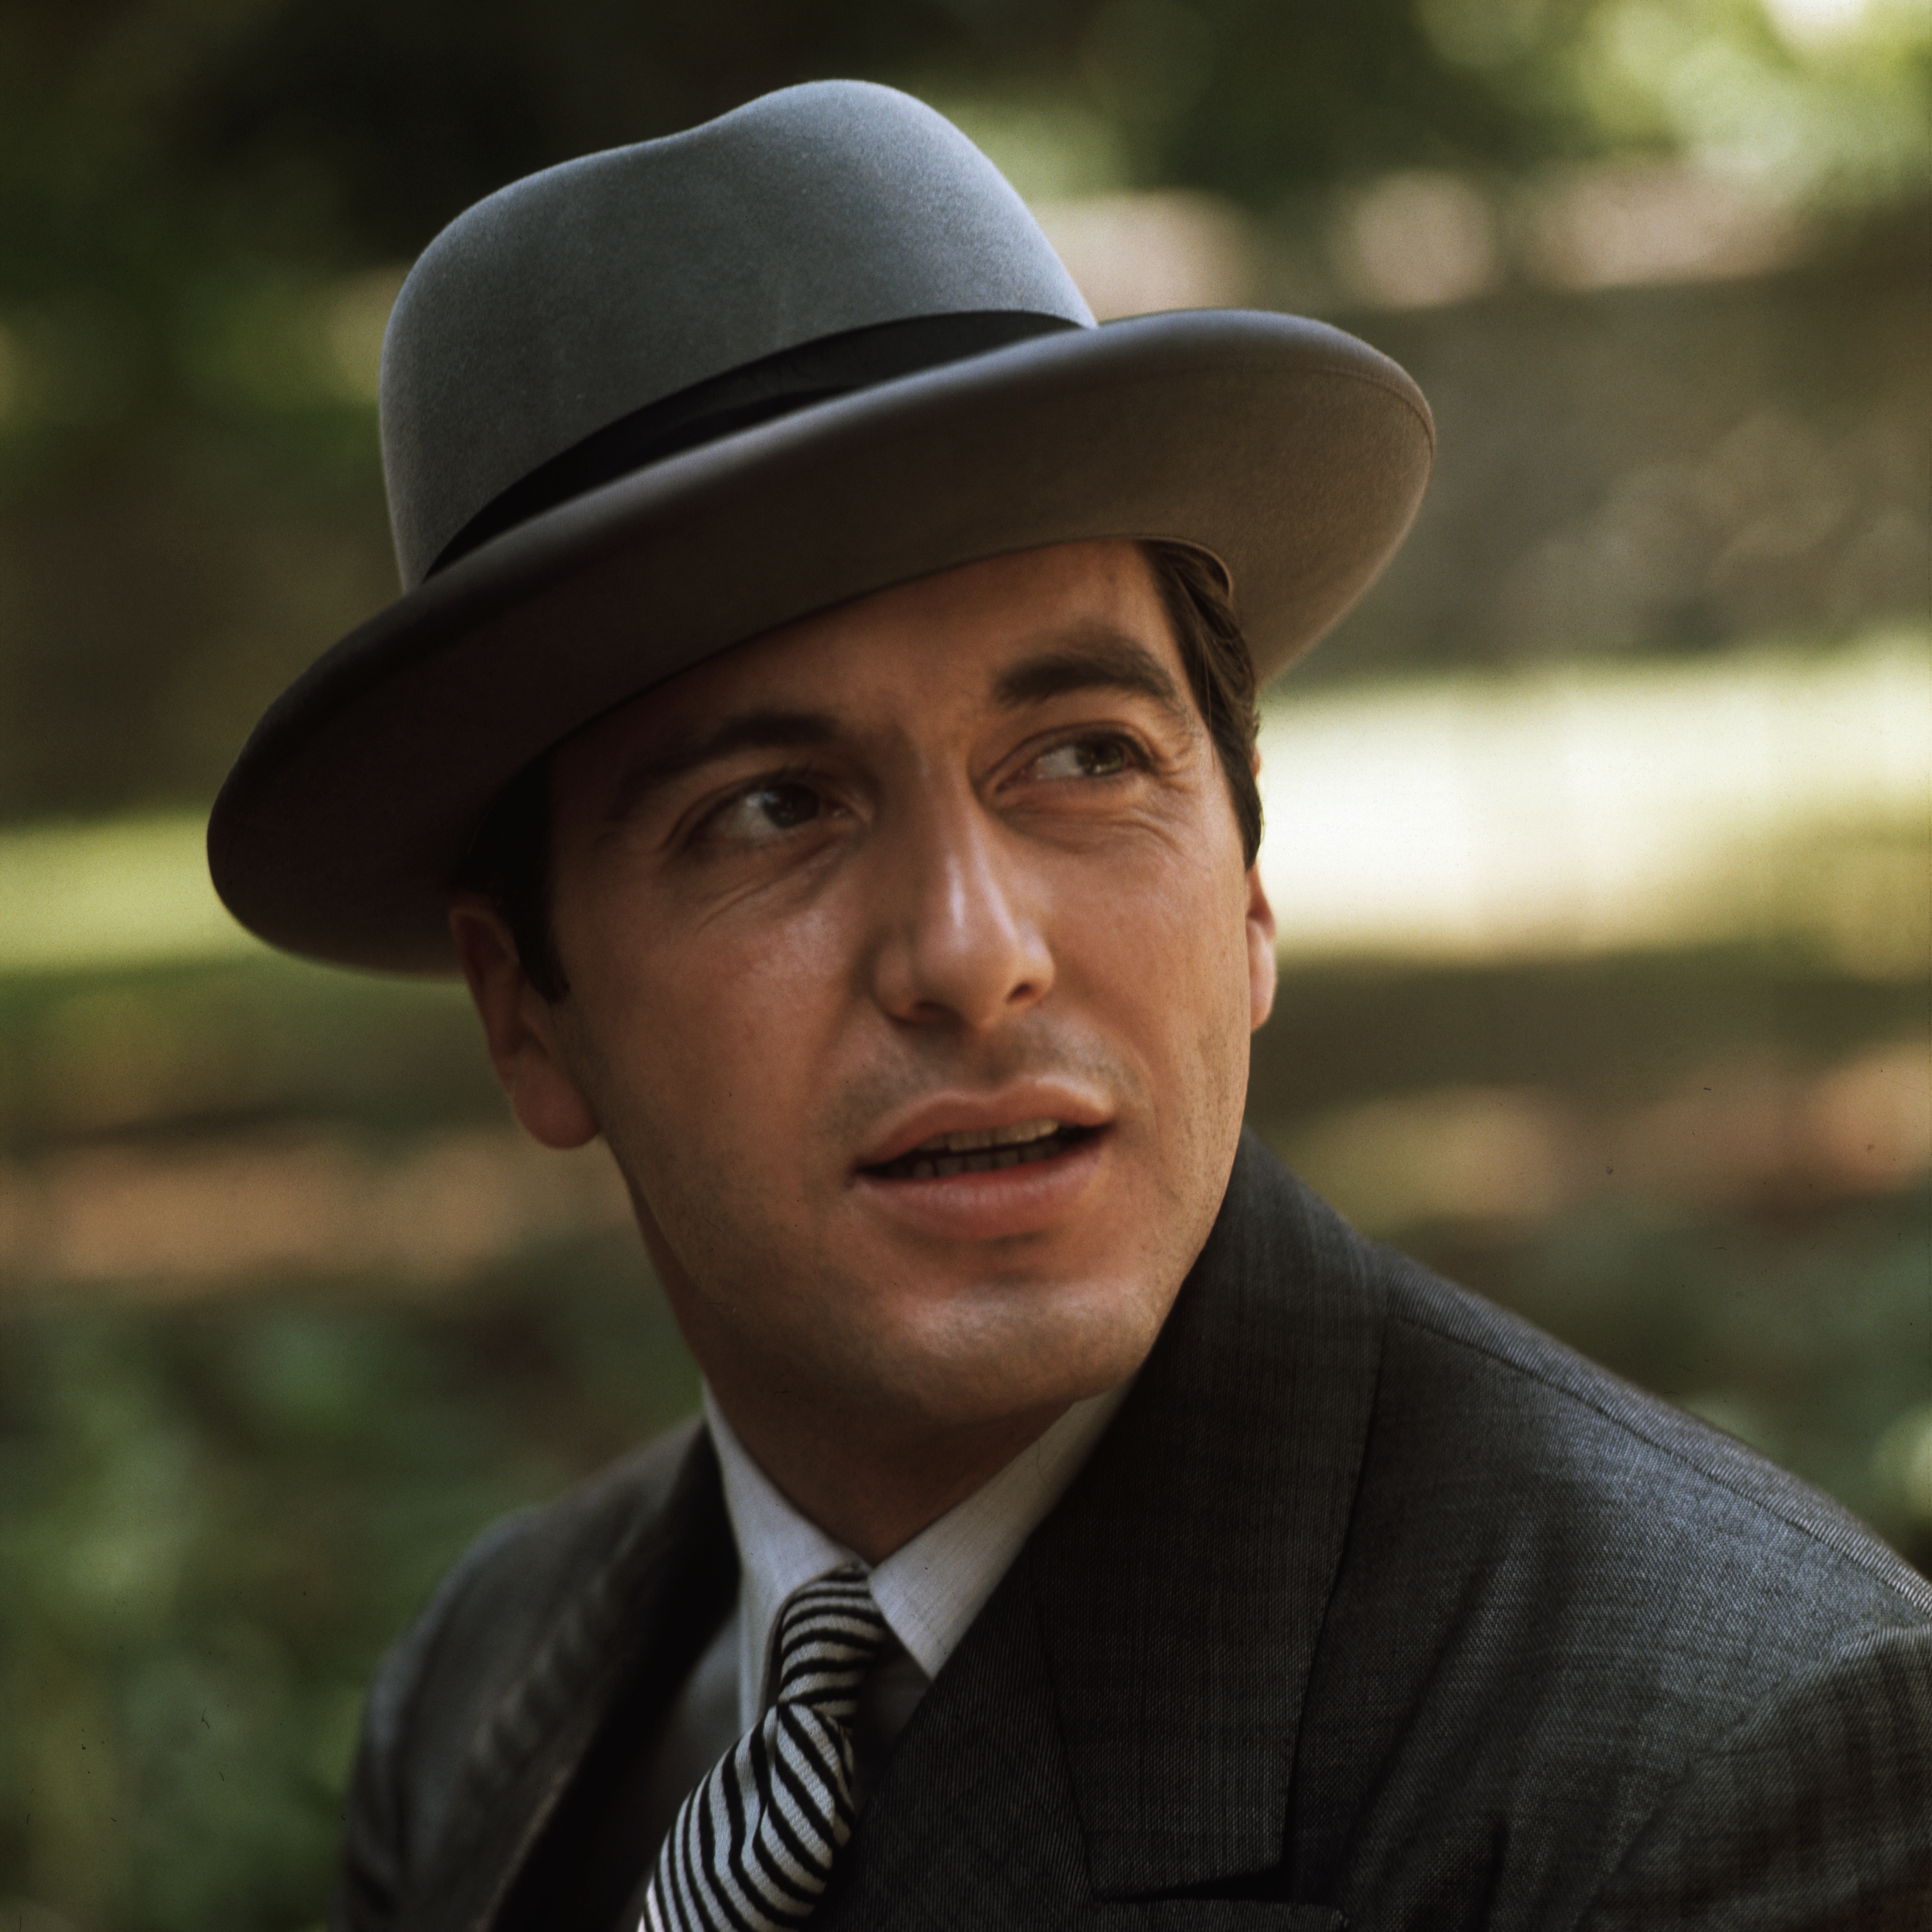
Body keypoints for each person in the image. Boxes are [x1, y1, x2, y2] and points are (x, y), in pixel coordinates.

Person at [207, 80, 1931, 1932]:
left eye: (1084, 759)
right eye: (771, 809)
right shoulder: (488, 1700)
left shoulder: (1706, 1770)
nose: (972, 948)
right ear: (525, 1011)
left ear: (1250, 884)